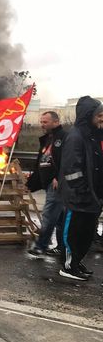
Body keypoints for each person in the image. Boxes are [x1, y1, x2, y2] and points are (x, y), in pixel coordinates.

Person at [58, 96, 103, 281]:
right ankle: (68, 266)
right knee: (74, 233)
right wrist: (81, 191)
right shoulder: (76, 136)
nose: (102, 118)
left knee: (86, 235)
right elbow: (71, 169)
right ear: (88, 115)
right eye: (99, 115)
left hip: (94, 197)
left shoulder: (95, 135)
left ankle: (77, 261)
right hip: (78, 198)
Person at [26, 111, 67, 258]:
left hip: (57, 184)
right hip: (48, 183)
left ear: (56, 122)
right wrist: (31, 182)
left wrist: (58, 177)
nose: (42, 125)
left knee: (49, 215)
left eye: (45, 122)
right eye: (41, 122)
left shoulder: (63, 137)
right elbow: (42, 162)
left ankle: (40, 246)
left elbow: (67, 160)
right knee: (60, 217)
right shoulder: (47, 139)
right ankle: (62, 247)